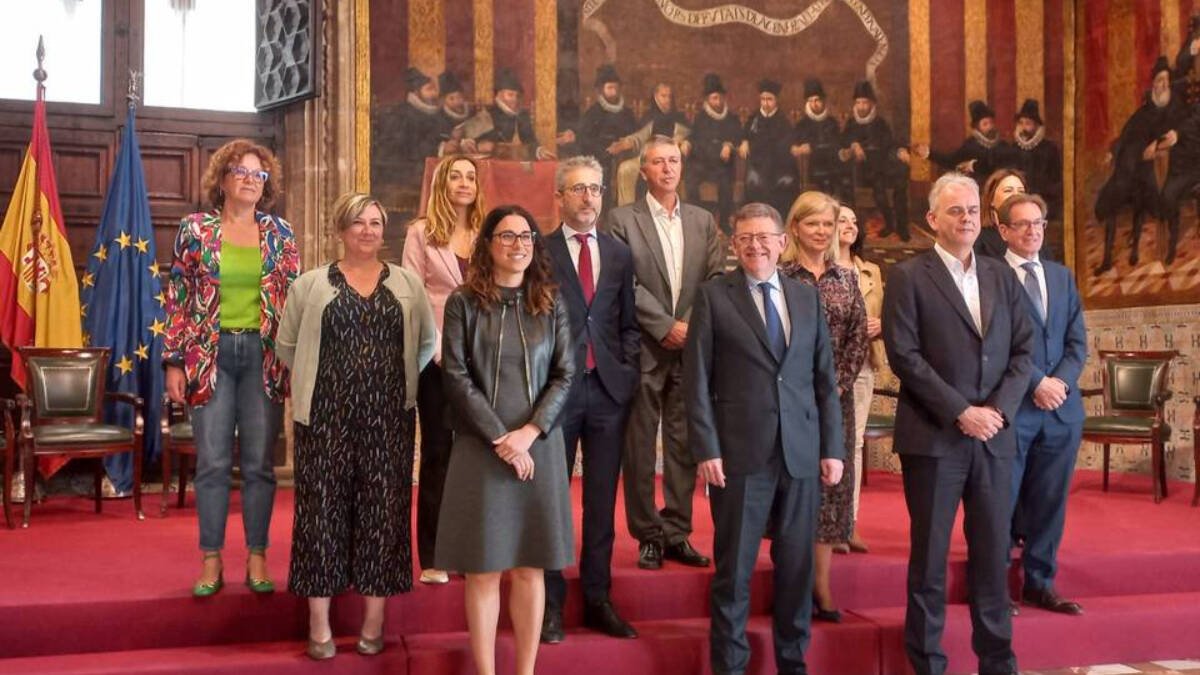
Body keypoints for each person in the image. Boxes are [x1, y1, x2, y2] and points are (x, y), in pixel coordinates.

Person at [883, 172, 1034, 675]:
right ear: (932, 220)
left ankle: (997, 661)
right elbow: (905, 356)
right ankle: (927, 663)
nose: (966, 218)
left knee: (992, 557)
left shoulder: (1000, 275)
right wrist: (961, 411)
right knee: (929, 561)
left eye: (972, 210)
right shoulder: (907, 277)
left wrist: (997, 412)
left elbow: (1023, 351)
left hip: (993, 438)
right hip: (935, 438)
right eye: (954, 211)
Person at [684, 202, 844, 675]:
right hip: (739, 456)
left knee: (796, 571)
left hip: (800, 454)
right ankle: (730, 666)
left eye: (764, 237)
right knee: (733, 572)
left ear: (781, 242)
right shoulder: (714, 297)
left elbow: (823, 379)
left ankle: (793, 663)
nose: (755, 245)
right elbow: (696, 381)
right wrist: (706, 447)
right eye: (745, 238)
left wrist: (832, 448)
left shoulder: (805, 297)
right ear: (734, 245)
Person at [277, 193, 437, 660]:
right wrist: (326, 382)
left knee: (382, 519)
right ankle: (319, 625)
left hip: (389, 419)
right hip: (324, 419)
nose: (368, 231)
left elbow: (426, 343)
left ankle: (374, 622)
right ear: (340, 229)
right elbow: (289, 345)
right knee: (320, 518)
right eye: (358, 223)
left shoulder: (407, 283)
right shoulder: (310, 284)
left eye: (375, 222)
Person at [435, 205, 576, 675]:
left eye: (527, 237)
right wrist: (501, 437)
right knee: (484, 568)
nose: (518, 245)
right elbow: (455, 376)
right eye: (507, 236)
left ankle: (526, 670)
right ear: (488, 244)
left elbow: (565, 374)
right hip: (481, 447)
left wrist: (530, 432)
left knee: (531, 566)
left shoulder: (552, 302)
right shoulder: (463, 302)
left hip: (539, 446)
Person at [163, 139, 299, 598]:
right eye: (240, 171)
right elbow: (178, 297)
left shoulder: (281, 233)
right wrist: (174, 361)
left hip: (263, 358)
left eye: (258, 174)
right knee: (215, 462)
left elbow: (293, 301)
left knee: (260, 465)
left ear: (267, 184)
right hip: (209, 356)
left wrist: (297, 360)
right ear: (221, 180)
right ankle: (211, 559)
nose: (249, 179)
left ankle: (257, 554)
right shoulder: (195, 229)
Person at [607, 136, 725, 572]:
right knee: (639, 446)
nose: (668, 168)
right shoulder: (622, 220)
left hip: (690, 348)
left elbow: (714, 277)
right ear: (643, 171)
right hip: (643, 346)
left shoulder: (702, 220)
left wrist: (689, 327)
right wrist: (664, 325)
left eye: (674, 160)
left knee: (682, 444)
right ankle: (648, 535)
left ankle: (677, 532)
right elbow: (622, 282)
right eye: (658, 162)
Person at [541, 156, 641, 643]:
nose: (588, 197)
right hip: (556, 393)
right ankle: (550, 603)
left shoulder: (620, 254)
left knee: (601, 502)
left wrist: (627, 372)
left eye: (595, 189)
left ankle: (599, 597)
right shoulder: (539, 250)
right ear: (559, 197)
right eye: (578, 189)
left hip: (608, 391)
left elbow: (626, 323)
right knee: (552, 501)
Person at [995, 193, 1087, 616]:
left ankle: (1040, 582)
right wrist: (1036, 382)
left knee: (1051, 501)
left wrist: (1059, 385)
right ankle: (995, 586)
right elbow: (994, 346)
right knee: (1001, 499)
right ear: (1004, 230)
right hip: (1013, 409)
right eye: (1023, 224)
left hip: (1061, 410)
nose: (1033, 230)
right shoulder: (990, 276)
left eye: (1038, 223)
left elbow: (1076, 343)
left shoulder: (1061, 277)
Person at [780, 191, 868, 620]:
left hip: (835, 402)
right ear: (795, 227)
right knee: (795, 491)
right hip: (789, 403)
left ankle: (822, 588)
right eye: (812, 223)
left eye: (827, 225)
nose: (821, 231)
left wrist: (834, 389)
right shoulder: (779, 276)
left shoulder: (846, 278)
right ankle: (791, 586)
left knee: (830, 495)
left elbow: (856, 338)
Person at [402, 154, 486, 585]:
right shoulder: (421, 232)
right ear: (442, 182)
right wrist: (434, 348)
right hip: (436, 360)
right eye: (456, 175)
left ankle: (472, 551)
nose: (464, 183)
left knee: (476, 457)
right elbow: (413, 296)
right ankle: (434, 556)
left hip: (482, 360)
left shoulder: (487, 231)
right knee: (438, 453)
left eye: (471, 176)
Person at [1093, 56, 1185, 275]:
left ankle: (1159, 248)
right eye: (1158, 81)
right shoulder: (1146, 109)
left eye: (1164, 81)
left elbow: (1179, 133)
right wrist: (1112, 151)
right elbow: (1127, 133)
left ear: (1169, 83)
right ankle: (1107, 258)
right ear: (1153, 84)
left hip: (1160, 168)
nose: (1161, 85)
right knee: (1113, 195)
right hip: (1133, 167)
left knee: (1149, 193)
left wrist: (1157, 144)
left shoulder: (1176, 108)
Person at [835, 204, 884, 554]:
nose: (850, 226)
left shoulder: (871, 271)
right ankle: (822, 523)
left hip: (863, 363)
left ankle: (848, 524)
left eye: (854, 221)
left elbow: (885, 314)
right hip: (824, 366)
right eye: (842, 220)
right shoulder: (815, 268)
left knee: (853, 444)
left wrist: (882, 325)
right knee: (825, 444)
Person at [840, 80, 914, 241]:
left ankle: (897, 226)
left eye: (865, 102)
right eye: (858, 102)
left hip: (880, 167)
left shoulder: (880, 123)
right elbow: (843, 142)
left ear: (871, 104)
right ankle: (876, 225)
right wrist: (854, 145)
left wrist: (900, 150)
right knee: (872, 188)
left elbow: (891, 143)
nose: (861, 106)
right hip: (859, 170)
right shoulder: (851, 123)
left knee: (895, 182)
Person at [610, 82, 691, 206]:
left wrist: (685, 142)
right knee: (625, 169)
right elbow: (640, 136)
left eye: (669, 96)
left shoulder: (678, 117)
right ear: (655, 97)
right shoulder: (649, 117)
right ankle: (626, 213)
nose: (667, 100)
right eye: (663, 96)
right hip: (646, 157)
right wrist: (628, 142)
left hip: (668, 160)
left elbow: (688, 135)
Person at [684, 73, 743, 232]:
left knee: (725, 183)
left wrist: (729, 145)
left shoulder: (731, 119)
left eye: (719, 98)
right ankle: (695, 221)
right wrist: (688, 142)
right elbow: (695, 137)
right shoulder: (701, 118)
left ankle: (724, 223)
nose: (716, 102)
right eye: (713, 98)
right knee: (690, 179)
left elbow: (738, 138)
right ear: (707, 100)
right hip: (703, 164)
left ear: (723, 98)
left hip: (722, 166)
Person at [575, 64, 637, 211]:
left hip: (624, 154)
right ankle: (604, 212)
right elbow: (584, 139)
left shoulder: (627, 112)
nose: (613, 92)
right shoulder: (593, 112)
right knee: (603, 175)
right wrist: (606, 150)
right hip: (601, 154)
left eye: (615, 88)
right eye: (610, 88)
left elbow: (635, 134)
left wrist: (623, 145)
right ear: (602, 90)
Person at [461, 67, 552, 160]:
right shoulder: (487, 114)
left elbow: (530, 140)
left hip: (516, 161)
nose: (515, 100)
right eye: (510, 95)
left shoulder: (522, 115)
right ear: (499, 95)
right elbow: (468, 139)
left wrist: (539, 151)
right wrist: (472, 144)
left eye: (517, 96)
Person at [740, 78, 797, 218]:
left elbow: (786, 145)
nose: (766, 103)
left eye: (769, 99)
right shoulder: (754, 118)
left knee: (784, 185)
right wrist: (745, 141)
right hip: (757, 164)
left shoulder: (783, 121)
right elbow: (744, 134)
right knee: (753, 183)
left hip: (779, 165)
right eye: (763, 99)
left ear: (775, 100)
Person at [925, 101, 1007, 186]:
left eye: (991, 122)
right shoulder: (970, 145)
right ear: (977, 127)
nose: (990, 127)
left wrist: (973, 165)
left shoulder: (1002, 144)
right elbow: (951, 161)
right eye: (985, 124)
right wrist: (929, 153)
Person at [1008, 99, 1062, 222]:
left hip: (1044, 202)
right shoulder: (1013, 148)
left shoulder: (1049, 148)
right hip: (1018, 201)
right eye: (1020, 123)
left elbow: (1056, 181)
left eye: (1027, 123)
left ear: (1036, 126)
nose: (1023, 127)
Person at [792, 78, 846, 199]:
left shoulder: (832, 123)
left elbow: (835, 145)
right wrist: (796, 148)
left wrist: (812, 147)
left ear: (823, 102)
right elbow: (794, 144)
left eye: (817, 100)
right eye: (810, 101)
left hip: (832, 166)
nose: (814, 104)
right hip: (811, 167)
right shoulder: (802, 124)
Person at [978, 169, 1029, 260]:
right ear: (991, 199)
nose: (1016, 196)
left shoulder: (1033, 235)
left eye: (1021, 191)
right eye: (1008, 191)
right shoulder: (979, 240)